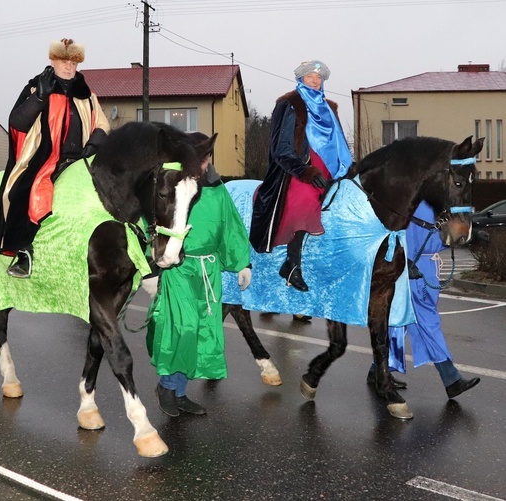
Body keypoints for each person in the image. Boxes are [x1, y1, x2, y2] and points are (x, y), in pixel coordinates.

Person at [146, 135, 252, 417]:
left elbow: (230, 225)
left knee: (203, 333)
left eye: (205, 158)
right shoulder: (175, 186)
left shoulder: (217, 190)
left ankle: (179, 392)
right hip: (180, 267)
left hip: (209, 270)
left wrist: (243, 263)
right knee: (183, 328)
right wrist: (153, 264)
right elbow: (156, 223)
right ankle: (166, 387)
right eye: (199, 158)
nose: (204, 163)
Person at [0, 38, 110, 279]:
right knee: (26, 192)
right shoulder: (35, 87)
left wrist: (95, 142)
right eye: (64, 61)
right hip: (46, 159)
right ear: (52, 61)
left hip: (81, 160)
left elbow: (103, 122)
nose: (69, 67)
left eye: (73, 63)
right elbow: (17, 122)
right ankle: (23, 250)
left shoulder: (87, 95)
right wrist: (39, 98)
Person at [250, 60, 352, 292]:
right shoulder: (289, 104)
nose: (315, 80)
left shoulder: (330, 108)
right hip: (299, 170)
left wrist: (349, 167)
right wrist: (304, 171)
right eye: (310, 76)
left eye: (319, 77)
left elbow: (341, 143)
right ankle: (292, 264)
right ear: (300, 79)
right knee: (304, 199)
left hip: (332, 169)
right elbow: (280, 148)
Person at [367, 201, 481, 399]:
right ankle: (451, 379)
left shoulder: (434, 200)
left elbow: (445, 235)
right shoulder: (413, 200)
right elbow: (391, 233)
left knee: (400, 323)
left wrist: (472, 235)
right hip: (413, 271)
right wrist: (405, 259)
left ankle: (377, 371)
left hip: (425, 268)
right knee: (427, 322)